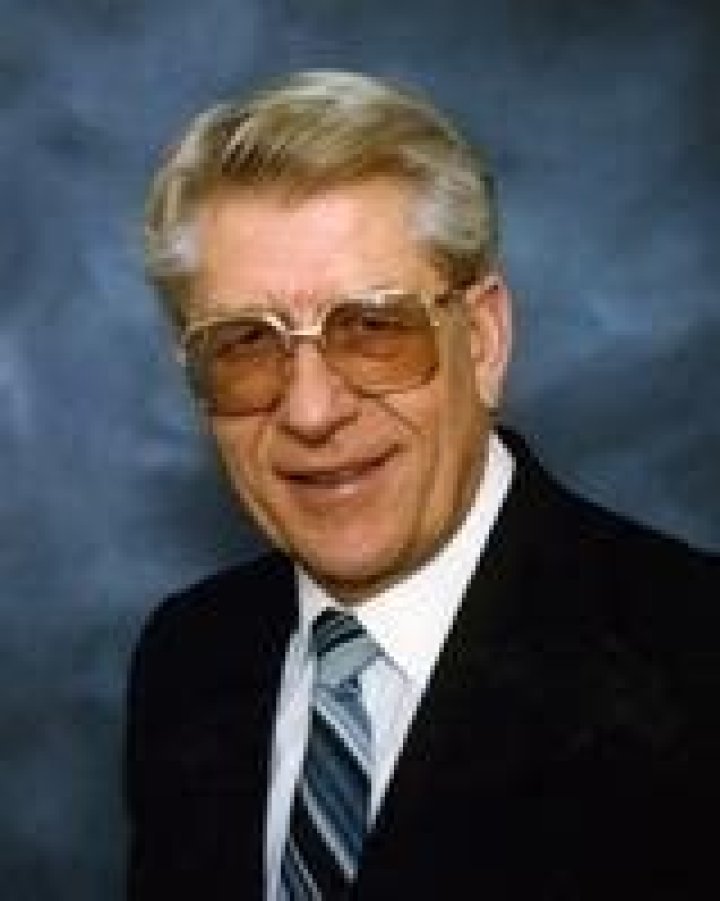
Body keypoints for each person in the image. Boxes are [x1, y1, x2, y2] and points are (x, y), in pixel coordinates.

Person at [126, 70, 719, 900]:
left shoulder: (694, 656)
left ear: (482, 340)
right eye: (246, 345)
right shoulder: (189, 656)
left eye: (373, 328)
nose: (311, 411)